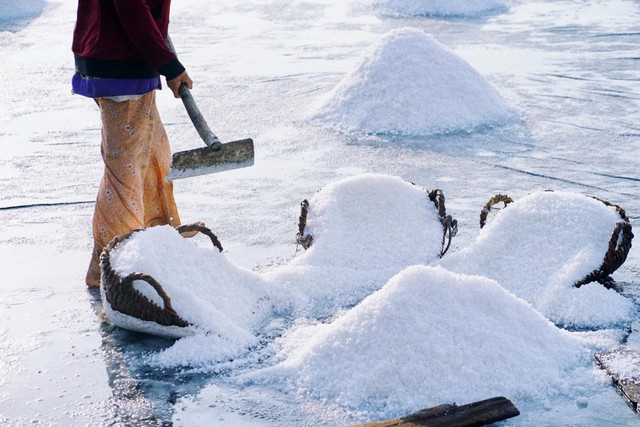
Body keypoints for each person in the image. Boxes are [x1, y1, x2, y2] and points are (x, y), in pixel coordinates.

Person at [72, 0, 194, 287]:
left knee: (154, 155)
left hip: (128, 58)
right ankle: (115, 266)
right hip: (119, 62)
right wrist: (170, 66)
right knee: (126, 170)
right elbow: (132, 10)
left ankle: (156, 241)